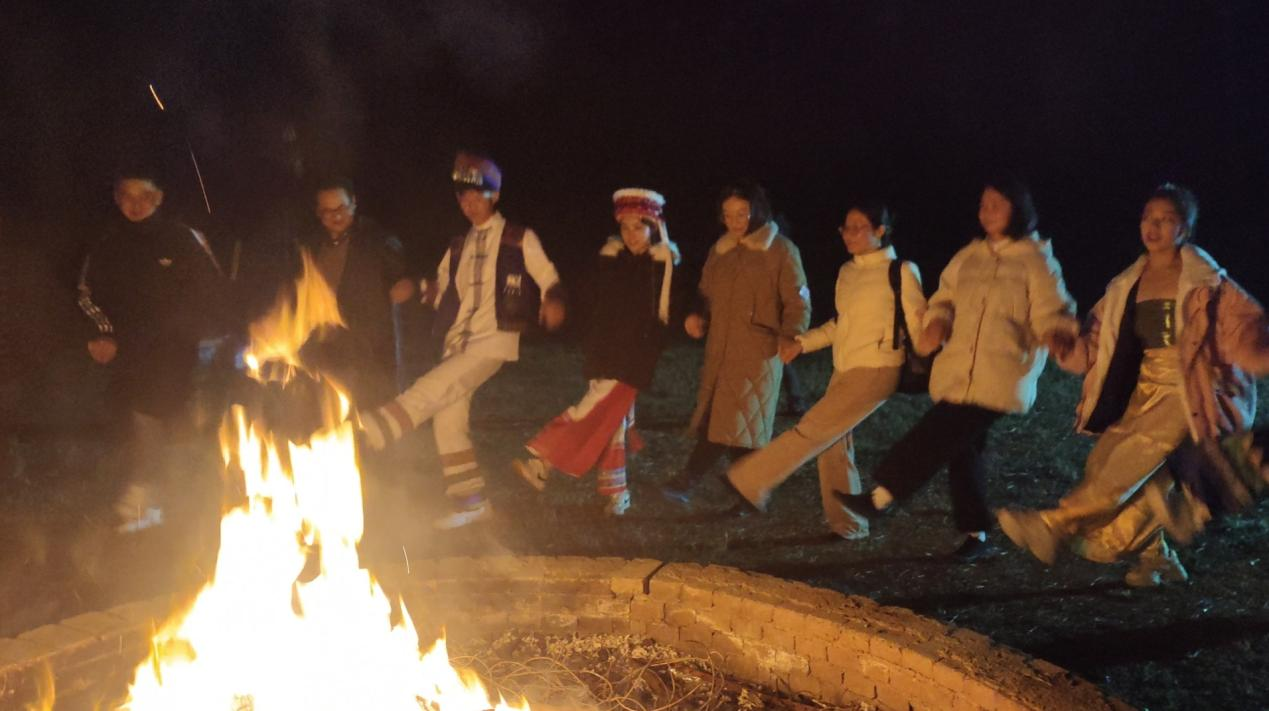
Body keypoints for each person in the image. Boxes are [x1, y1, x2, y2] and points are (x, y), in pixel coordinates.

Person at [997, 184, 1269, 586]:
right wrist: (1067, 346)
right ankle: (1157, 558)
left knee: (1128, 463)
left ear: (1184, 229)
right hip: (1145, 390)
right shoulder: (1125, 286)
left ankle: (1054, 524)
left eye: (1165, 220)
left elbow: (1245, 329)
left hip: (1187, 393)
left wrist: (1257, 352)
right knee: (1114, 465)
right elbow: (1096, 341)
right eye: (1147, 218)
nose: (1153, 227)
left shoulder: (1211, 284)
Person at [835, 178, 1078, 560]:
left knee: (938, 430)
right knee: (963, 448)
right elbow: (945, 297)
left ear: (1017, 209)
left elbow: (1052, 307)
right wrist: (937, 321)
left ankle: (882, 497)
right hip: (960, 368)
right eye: (983, 205)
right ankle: (977, 534)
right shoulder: (970, 256)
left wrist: (1055, 332)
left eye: (996, 205)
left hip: (1002, 372)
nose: (987, 212)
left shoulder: (1036, 259)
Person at [358, 152, 565, 529]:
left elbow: (548, 276)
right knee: (448, 422)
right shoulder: (458, 246)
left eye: (477, 196)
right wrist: (416, 288)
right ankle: (470, 502)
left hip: (493, 341)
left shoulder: (518, 238)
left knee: (433, 387)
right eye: (463, 197)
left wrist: (553, 300)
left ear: (494, 196)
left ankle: (374, 429)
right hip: (457, 342)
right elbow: (441, 291)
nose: (469, 204)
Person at [726, 202, 926, 538]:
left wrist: (936, 358)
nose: (849, 234)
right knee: (833, 445)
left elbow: (920, 324)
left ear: (880, 231)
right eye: (846, 228)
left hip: (877, 369)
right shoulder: (848, 272)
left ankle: (749, 481)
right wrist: (802, 343)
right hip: (845, 369)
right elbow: (839, 325)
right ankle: (849, 526)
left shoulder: (901, 271)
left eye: (858, 227)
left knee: (813, 429)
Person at [513, 188, 681, 516]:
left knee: (590, 409)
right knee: (611, 422)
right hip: (604, 353)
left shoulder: (662, 265)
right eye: (625, 227)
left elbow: (668, 311)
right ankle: (618, 493)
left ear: (654, 227)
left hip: (633, 359)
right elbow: (594, 305)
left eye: (639, 227)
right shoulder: (609, 262)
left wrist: (663, 337)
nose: (631, 234)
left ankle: (543, 462)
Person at [78, 169, 229, 531]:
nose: (136, 204)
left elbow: (212, 290)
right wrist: (101, 333)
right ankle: (148, 505)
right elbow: (87, 296)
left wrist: (201, 334)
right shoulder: (107, 243)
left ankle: (186, 506)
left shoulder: (182, 238)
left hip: (181, 352)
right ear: (118, 199)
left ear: (158, 198)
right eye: (127, 196)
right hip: (129, 353)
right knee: (143, 423)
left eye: (144, 196)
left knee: (181, 427)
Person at [660, 183, 810, 506]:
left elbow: (798, 301)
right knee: (735, 425)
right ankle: (751, 493)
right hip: (721, 351)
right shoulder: (721, 250)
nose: (735, 221)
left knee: (732, 421)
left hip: (757, 352)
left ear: (757, 211)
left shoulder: (780, 250)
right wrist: (697, 315)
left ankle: (689, 480)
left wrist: (791, 335)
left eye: (742, 213)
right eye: (728, 215)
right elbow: (705, 292)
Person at [301, 176, 413, 410]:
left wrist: (407, 284)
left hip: (366, 351)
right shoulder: (311, 247)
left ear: (353, 202)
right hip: (322, 349)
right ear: (319, 213)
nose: (336, 216)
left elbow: (404, 279)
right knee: (325, 415)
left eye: (341, 208)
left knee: (371, 416)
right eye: (328, 211)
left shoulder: (377, 241)